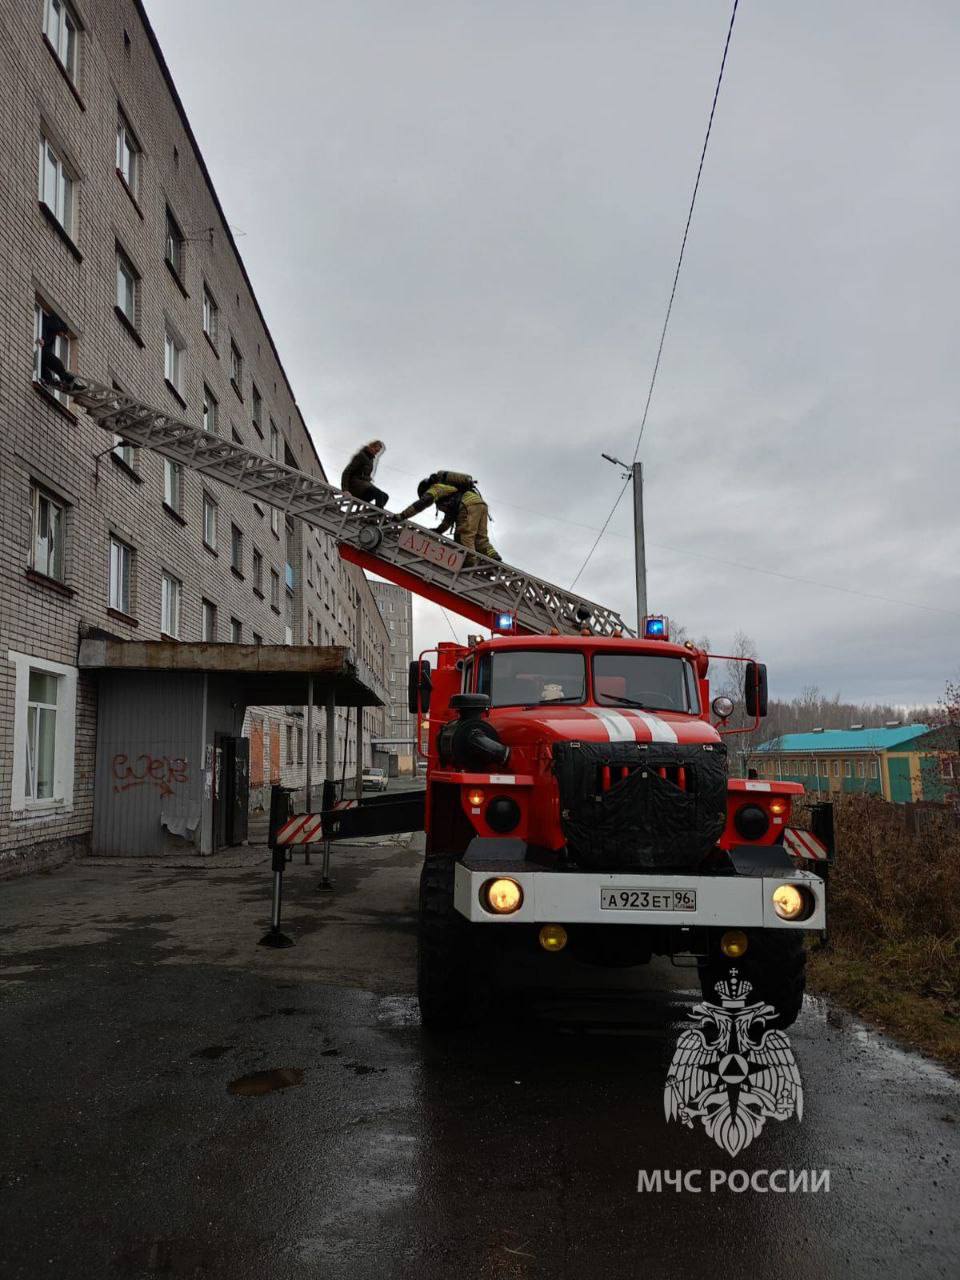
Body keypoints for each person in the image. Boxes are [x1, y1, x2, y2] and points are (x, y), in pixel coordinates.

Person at [395, 471, 501, 564]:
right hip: (480, 504)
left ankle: (469, 562)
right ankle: (493, 556)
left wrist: (403, 515)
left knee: (463, 536)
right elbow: (449, 517)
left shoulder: (436, 488)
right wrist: (439, 530)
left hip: (467, 505)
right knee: (480, 538)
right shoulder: (451, 492)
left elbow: (422, 503)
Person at [37, 310, 77, 390]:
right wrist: (42, 338)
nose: (61, 336)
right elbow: (44, 326)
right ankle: (65, 378)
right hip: (41, 351)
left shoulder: (53, 335)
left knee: (46, 369)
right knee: (57, 363)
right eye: (63, 334)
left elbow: (49, 347)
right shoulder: (52, 325)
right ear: (62, 330)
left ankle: (50, 381)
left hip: (42, 353)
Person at [341, 440, 388, 508]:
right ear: (371, 447)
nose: (376, 453)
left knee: (385, 496)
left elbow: (365, 474)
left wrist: (369, 478)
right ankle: (373, 516)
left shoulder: (371, 460)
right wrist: (345, 490)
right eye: (375, 450)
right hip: (355, 486)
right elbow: (346, 472)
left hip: (364, 486)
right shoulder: (361, 456)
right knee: (379, 494)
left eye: (377, 452)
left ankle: (373, 515)